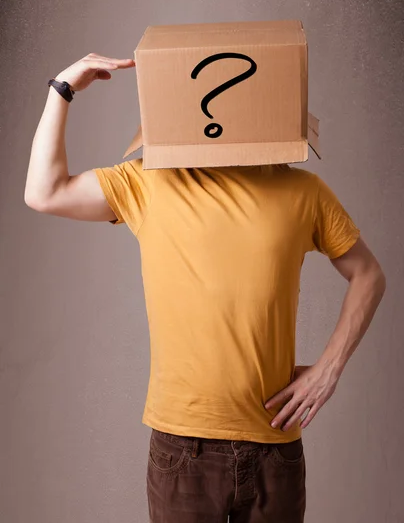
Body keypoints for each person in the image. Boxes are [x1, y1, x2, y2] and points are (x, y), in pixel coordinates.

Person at [25, 53, 386, 523]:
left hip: (274, 448)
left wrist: (330, 368)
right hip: (182, 451)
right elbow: (43, 192)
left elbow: (369, 275)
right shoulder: (149, 182)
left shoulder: (304, 192)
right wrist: (62, 89)